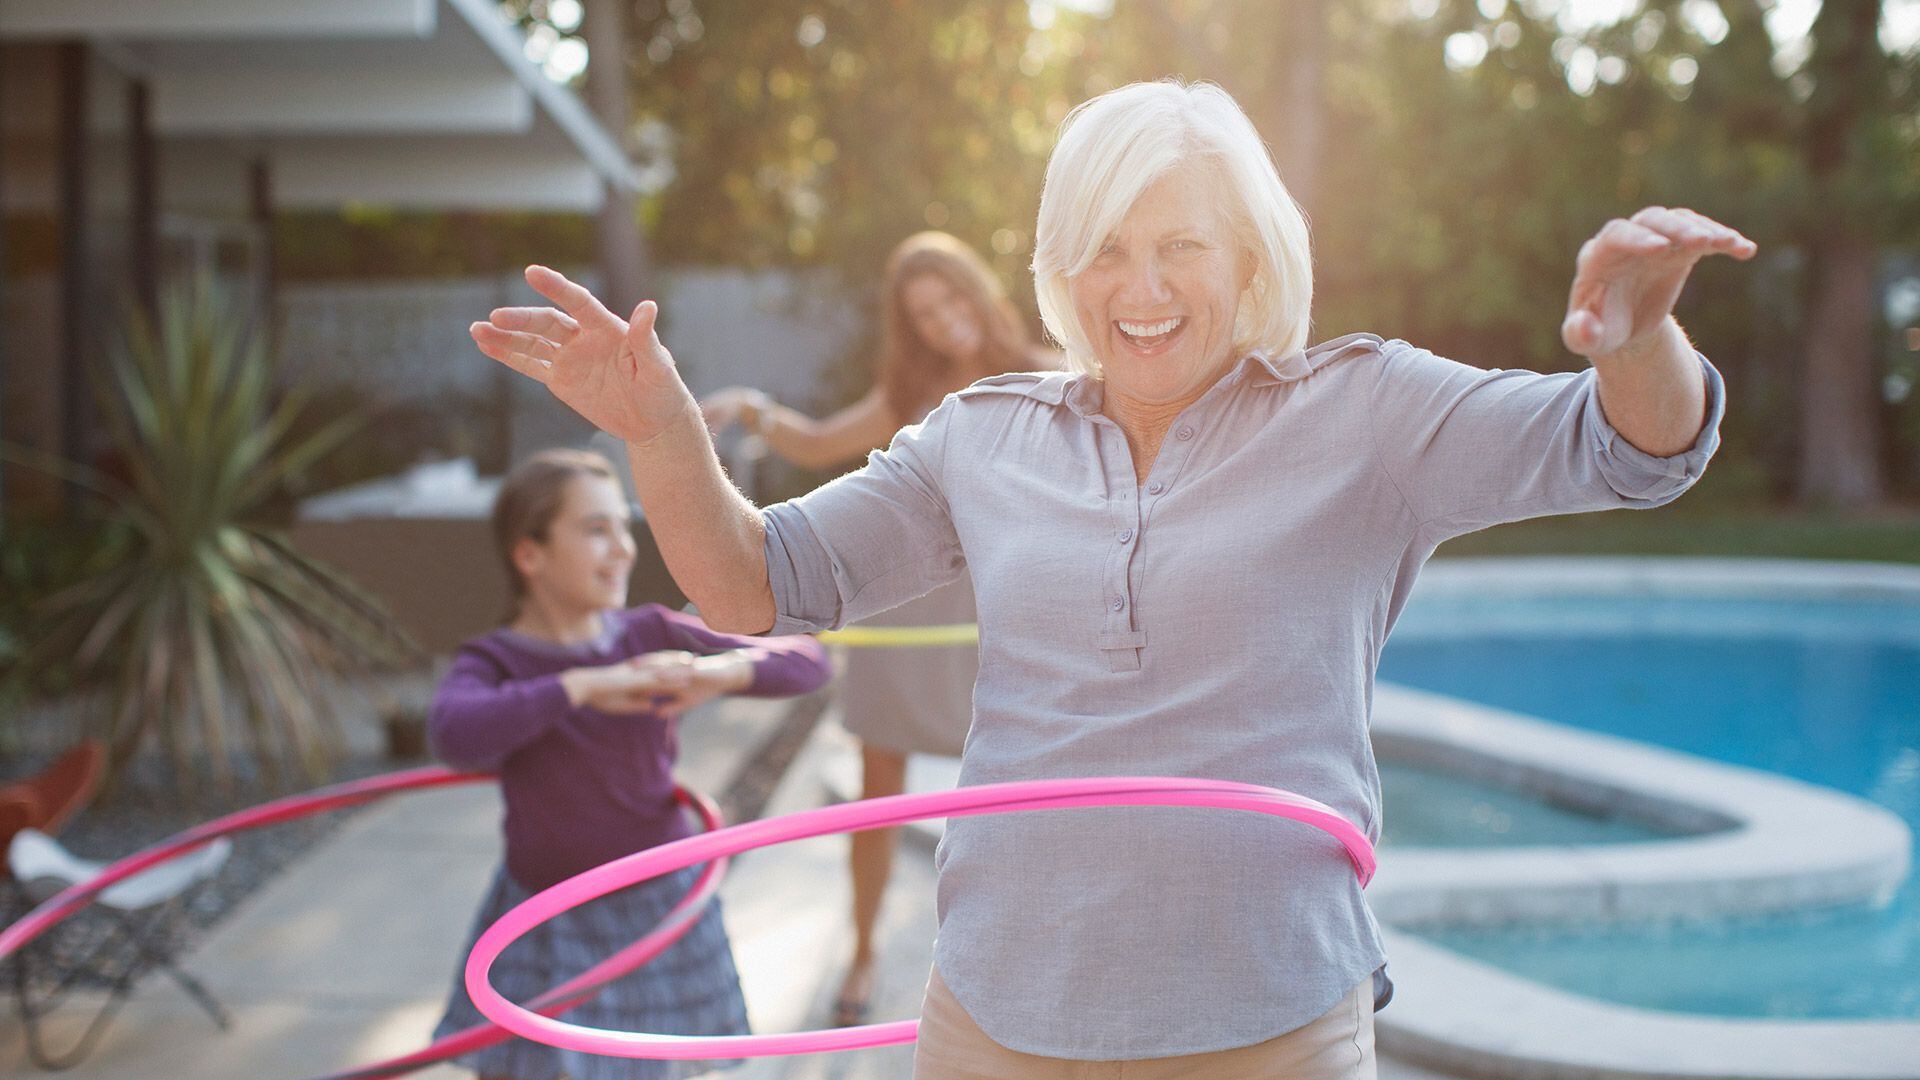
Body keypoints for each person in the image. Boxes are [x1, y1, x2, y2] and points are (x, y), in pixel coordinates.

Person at [470, 79, 1752, 1079]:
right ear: (1060, 269)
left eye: (1181, 243)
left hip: (1268, 1018)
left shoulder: (1367, 411)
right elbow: (758, 584)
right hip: (1001, 1016)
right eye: (1103, 248)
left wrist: (1642, 343)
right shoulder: (983, 435)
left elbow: (1629, 449)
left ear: (1249, 256)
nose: (1139, 288)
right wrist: (663, 435)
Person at [698, 231, 1058, 1026]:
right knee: (877, 789)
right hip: (903, 611)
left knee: (1014, 794)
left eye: (950, 300)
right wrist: (751, 413)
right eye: (923, 315)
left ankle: (1019, 961)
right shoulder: (911, 396)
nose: (942, 323)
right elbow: (819, 440)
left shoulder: (1050, 372)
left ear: (977, 289)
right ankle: (862, 952)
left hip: (995, 616)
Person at [426, 448, 832, 1080]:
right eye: (596, 530)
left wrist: (719, 672)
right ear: (529, 554)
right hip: (544, 911)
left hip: (654, 898)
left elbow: (807, 661)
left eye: (623, 526)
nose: (623, 548)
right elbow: (454, 733)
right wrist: (582, 686)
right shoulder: (498, 662)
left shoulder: (649, 636)